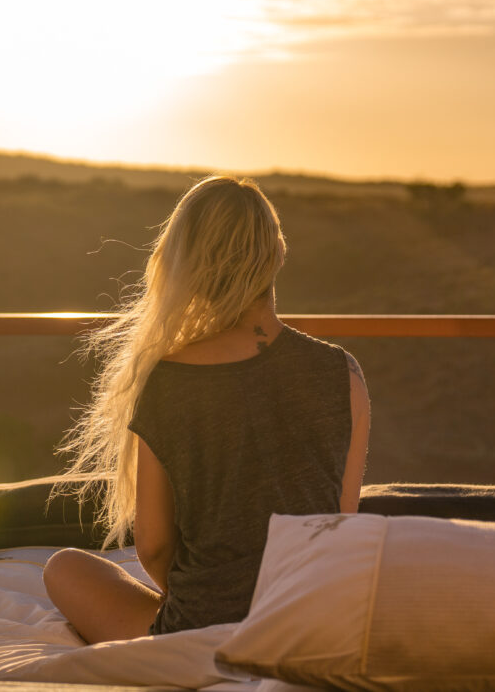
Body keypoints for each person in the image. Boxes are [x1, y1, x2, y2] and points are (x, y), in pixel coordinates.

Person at [43, 175, 371, 644]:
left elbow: (154, 547)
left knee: (63, 568)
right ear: (276, 254)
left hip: (206, 625)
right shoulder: (344, 373)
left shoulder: (168, 380)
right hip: (311, 617)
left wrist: (214, 599)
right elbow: (340, 524)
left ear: (182, 264)